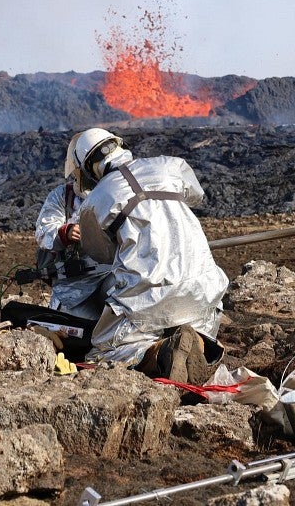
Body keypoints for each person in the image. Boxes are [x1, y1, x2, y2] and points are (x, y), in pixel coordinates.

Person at [70, 128, 228, 385]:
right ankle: (197, 341)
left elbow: (101, 254)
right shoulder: (170, 165)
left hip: (149, 297)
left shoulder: (96, 199)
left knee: (104, 353)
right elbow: (196, 195)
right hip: (204, 291)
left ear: (90, 168)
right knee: (195, 322)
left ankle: (159, 353)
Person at [33, 133, 113, 321]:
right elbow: (44, 232)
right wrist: (65, 232)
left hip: (111, 277)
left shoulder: (118, 195)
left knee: (124, 302)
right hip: (73, 290)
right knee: (79, 330)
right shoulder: (63, 197)